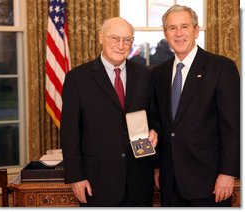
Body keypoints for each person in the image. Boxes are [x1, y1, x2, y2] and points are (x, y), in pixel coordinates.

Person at [60, 17, 158, 207]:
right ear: (101, 38)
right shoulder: (77, 79)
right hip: (97, 183)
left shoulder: (145, 75)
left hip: (138, 181)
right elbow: (69, 133)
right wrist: (76, 177)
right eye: (115, 38)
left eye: (127, 40)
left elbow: (154, 116)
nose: (121, 45)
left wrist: (155, 131)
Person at [151, 5, 240, 207]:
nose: (179, 33)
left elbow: (233, 126)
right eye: (172, 28)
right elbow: (159, 122)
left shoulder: (221, 68)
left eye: (185, 26)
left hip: (208, 182)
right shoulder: (159, 73)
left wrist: (228, 173)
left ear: (196, 30)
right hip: (169, 180)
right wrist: (157, 166)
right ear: (166, 33)